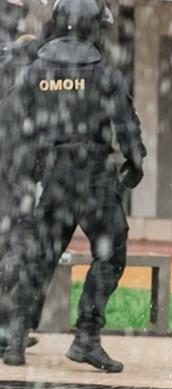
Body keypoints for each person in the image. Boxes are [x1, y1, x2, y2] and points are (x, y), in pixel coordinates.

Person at [1, 0, 145, 371]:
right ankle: (86, 337)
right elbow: (126, 123)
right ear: (94, 26)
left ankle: (15, 339)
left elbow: (12, 123)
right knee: (110, 252)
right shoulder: (104, 72)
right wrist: (135, 161)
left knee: (40, 257)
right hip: (93, 177)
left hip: (55, 178)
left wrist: (25, 169)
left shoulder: (36, 71)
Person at [0, 0, 42, 357]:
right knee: (19, 251)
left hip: (11, 175)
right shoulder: (24, 76)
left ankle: (9, 332)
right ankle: (10, 335)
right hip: (15, 177)